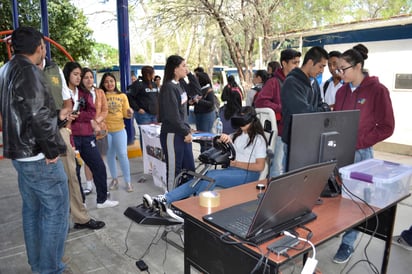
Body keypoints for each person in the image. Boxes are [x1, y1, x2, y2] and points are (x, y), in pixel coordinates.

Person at [0, 26, 69, 274]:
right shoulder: (29, 71)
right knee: (57, 211)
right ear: (39, 47)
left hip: (21, 154)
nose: (44, 51)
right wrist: (52, 151)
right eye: (43, 47)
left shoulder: (6, 69)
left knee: (33, 210)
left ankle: (39, 265)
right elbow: (37, 115)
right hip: (38, 155)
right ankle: (49, 269)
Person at [332, 44, 395, 264]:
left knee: (356, 203)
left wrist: (357, 142)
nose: (339, 73)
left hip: (361, 154)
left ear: (358, 66)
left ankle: (347, 244)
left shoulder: (377, 91)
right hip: (339, 152)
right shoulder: (341, 92)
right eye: (337, 69)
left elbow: (386, 127)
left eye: (343, 69)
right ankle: (338, 230)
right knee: (338, 199)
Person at [145, 106, 267, 212]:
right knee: (202, 176)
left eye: (243, 122)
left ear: (252, 121)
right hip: (233, 170)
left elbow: (260, 167)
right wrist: (221, 138)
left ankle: (193, 209)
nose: (241, 126)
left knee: (213, 177)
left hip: (249, 175)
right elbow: (220, 143)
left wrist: (235, 163)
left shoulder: (259, 140)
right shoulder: (237, 134)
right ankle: (165, 198)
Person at [38, 47, 105, 230]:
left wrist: (65, 121)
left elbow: (69, 103)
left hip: (59, 133)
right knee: (43, 183)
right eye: (75, 74)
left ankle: (80, 218)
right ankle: (52, 222)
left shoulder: (53, 70)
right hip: (32, 137)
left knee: (71, 176)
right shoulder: (15, 71)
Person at [63, 61, 119, 209]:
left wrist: (76, 115)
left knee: (99, 166)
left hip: (87, 135)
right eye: (75, 74)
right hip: (70, 137)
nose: (78, 78)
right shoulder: (62, 93)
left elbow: (91, 112)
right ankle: (80, 203)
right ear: (67, 74)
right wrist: (73, 116)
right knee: (74, 172)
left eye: (79, 75)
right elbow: (62, 116)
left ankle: (102, 200)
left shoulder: (85, 93)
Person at [254, 49, 301, 177]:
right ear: (284, 64)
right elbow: (260, 101)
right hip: (280, 130)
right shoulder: (274, 82)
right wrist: (281, 107)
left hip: (295, 129)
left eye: (298, 62)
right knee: (278, 167)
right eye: (294, 63)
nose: (297, 66)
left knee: (289, 168)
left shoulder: (297, 81)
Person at [281, 46, 330, 168]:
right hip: (295, 141)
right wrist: (324, 109)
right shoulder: (292, 82)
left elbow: (320, 103)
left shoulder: (314, 83)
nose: (322, 70)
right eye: (321, 66)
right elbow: (303, 112)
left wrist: (323, 108)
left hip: (311, 139)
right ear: (310, 62)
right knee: (295, 182)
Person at [157, 55, 196, 191]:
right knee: (175, 170)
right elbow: (172, 116)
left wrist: (190, 74)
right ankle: (171, 200)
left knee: (189, 168)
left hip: (183, 133)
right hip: (173, 134)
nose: (186, 68)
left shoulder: (180, 85)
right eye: (184, 66)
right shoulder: (168, 88)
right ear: (175, 69)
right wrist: (185, 131)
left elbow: (196, 91)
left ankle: (184, 198)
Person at [99, 72, 134, 192]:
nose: (109, 84)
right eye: (106, 81)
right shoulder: (100, 95)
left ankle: (128, 181)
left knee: (123, 155)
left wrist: (129, 113)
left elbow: (126, 113)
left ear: (115, 82)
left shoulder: (123, 96)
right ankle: (114, 179)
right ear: (103, 84)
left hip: (120, 129)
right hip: (106, 131)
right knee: (110, 156)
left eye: (111, 81)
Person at [80, 67, 109, 196]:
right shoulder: (79, 93)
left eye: (91, 77)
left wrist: (96, 121)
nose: (89, 80)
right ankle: (89, 185)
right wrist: (90, 122)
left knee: (100, 161)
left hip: (100, 130)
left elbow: (105, 110)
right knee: (88, 160)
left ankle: (102, 187)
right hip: (86, 131)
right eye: (86, 77)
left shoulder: (100, 92)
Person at [128, 66, 159, 151]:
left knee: (154, 134)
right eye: (153, 73)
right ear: (148, 74)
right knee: (145, 135)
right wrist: (138, 109)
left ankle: (153, 154)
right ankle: (146, 154)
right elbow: (130, 97)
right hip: (144, 115)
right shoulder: (138, 84)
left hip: (154, 114)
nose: (154, 75)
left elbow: (156, 97)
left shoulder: (153, 84)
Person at [192, 71, 216, 152]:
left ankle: (207, 156)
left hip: (206, 115)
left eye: (196, 78)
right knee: (201, 137)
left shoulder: (208, 90)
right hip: (200, 115)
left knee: (206, 137)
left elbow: (211, 103)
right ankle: (203, 154)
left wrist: (199, 101)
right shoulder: (199, 89)